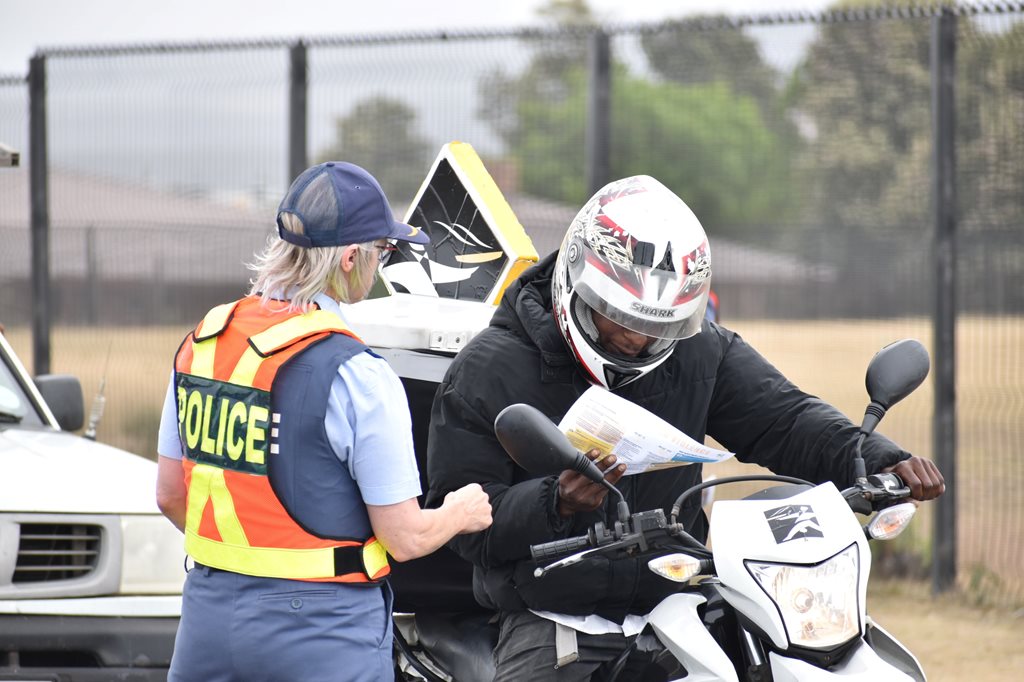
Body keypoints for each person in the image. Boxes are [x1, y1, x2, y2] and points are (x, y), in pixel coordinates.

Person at [424, 174, 944, 681]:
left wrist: (878, 457)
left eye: (658, 327)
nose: (635, 339)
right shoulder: (488, 370)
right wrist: (553, 503)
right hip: (554, 618)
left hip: (683, 602)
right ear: (575, 284)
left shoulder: (700, 351)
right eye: (619, 317)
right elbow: (460, 523)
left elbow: (785, 419)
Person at [154, 161, 492, 681]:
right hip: (322, 629)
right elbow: (403, 538)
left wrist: (247, 562)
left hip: (208, 617)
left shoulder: (203, 341)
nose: (381, 266)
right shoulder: (356, 371)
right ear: (351, 257)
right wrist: (460, 512)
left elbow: (171, 497)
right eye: (383, 251)